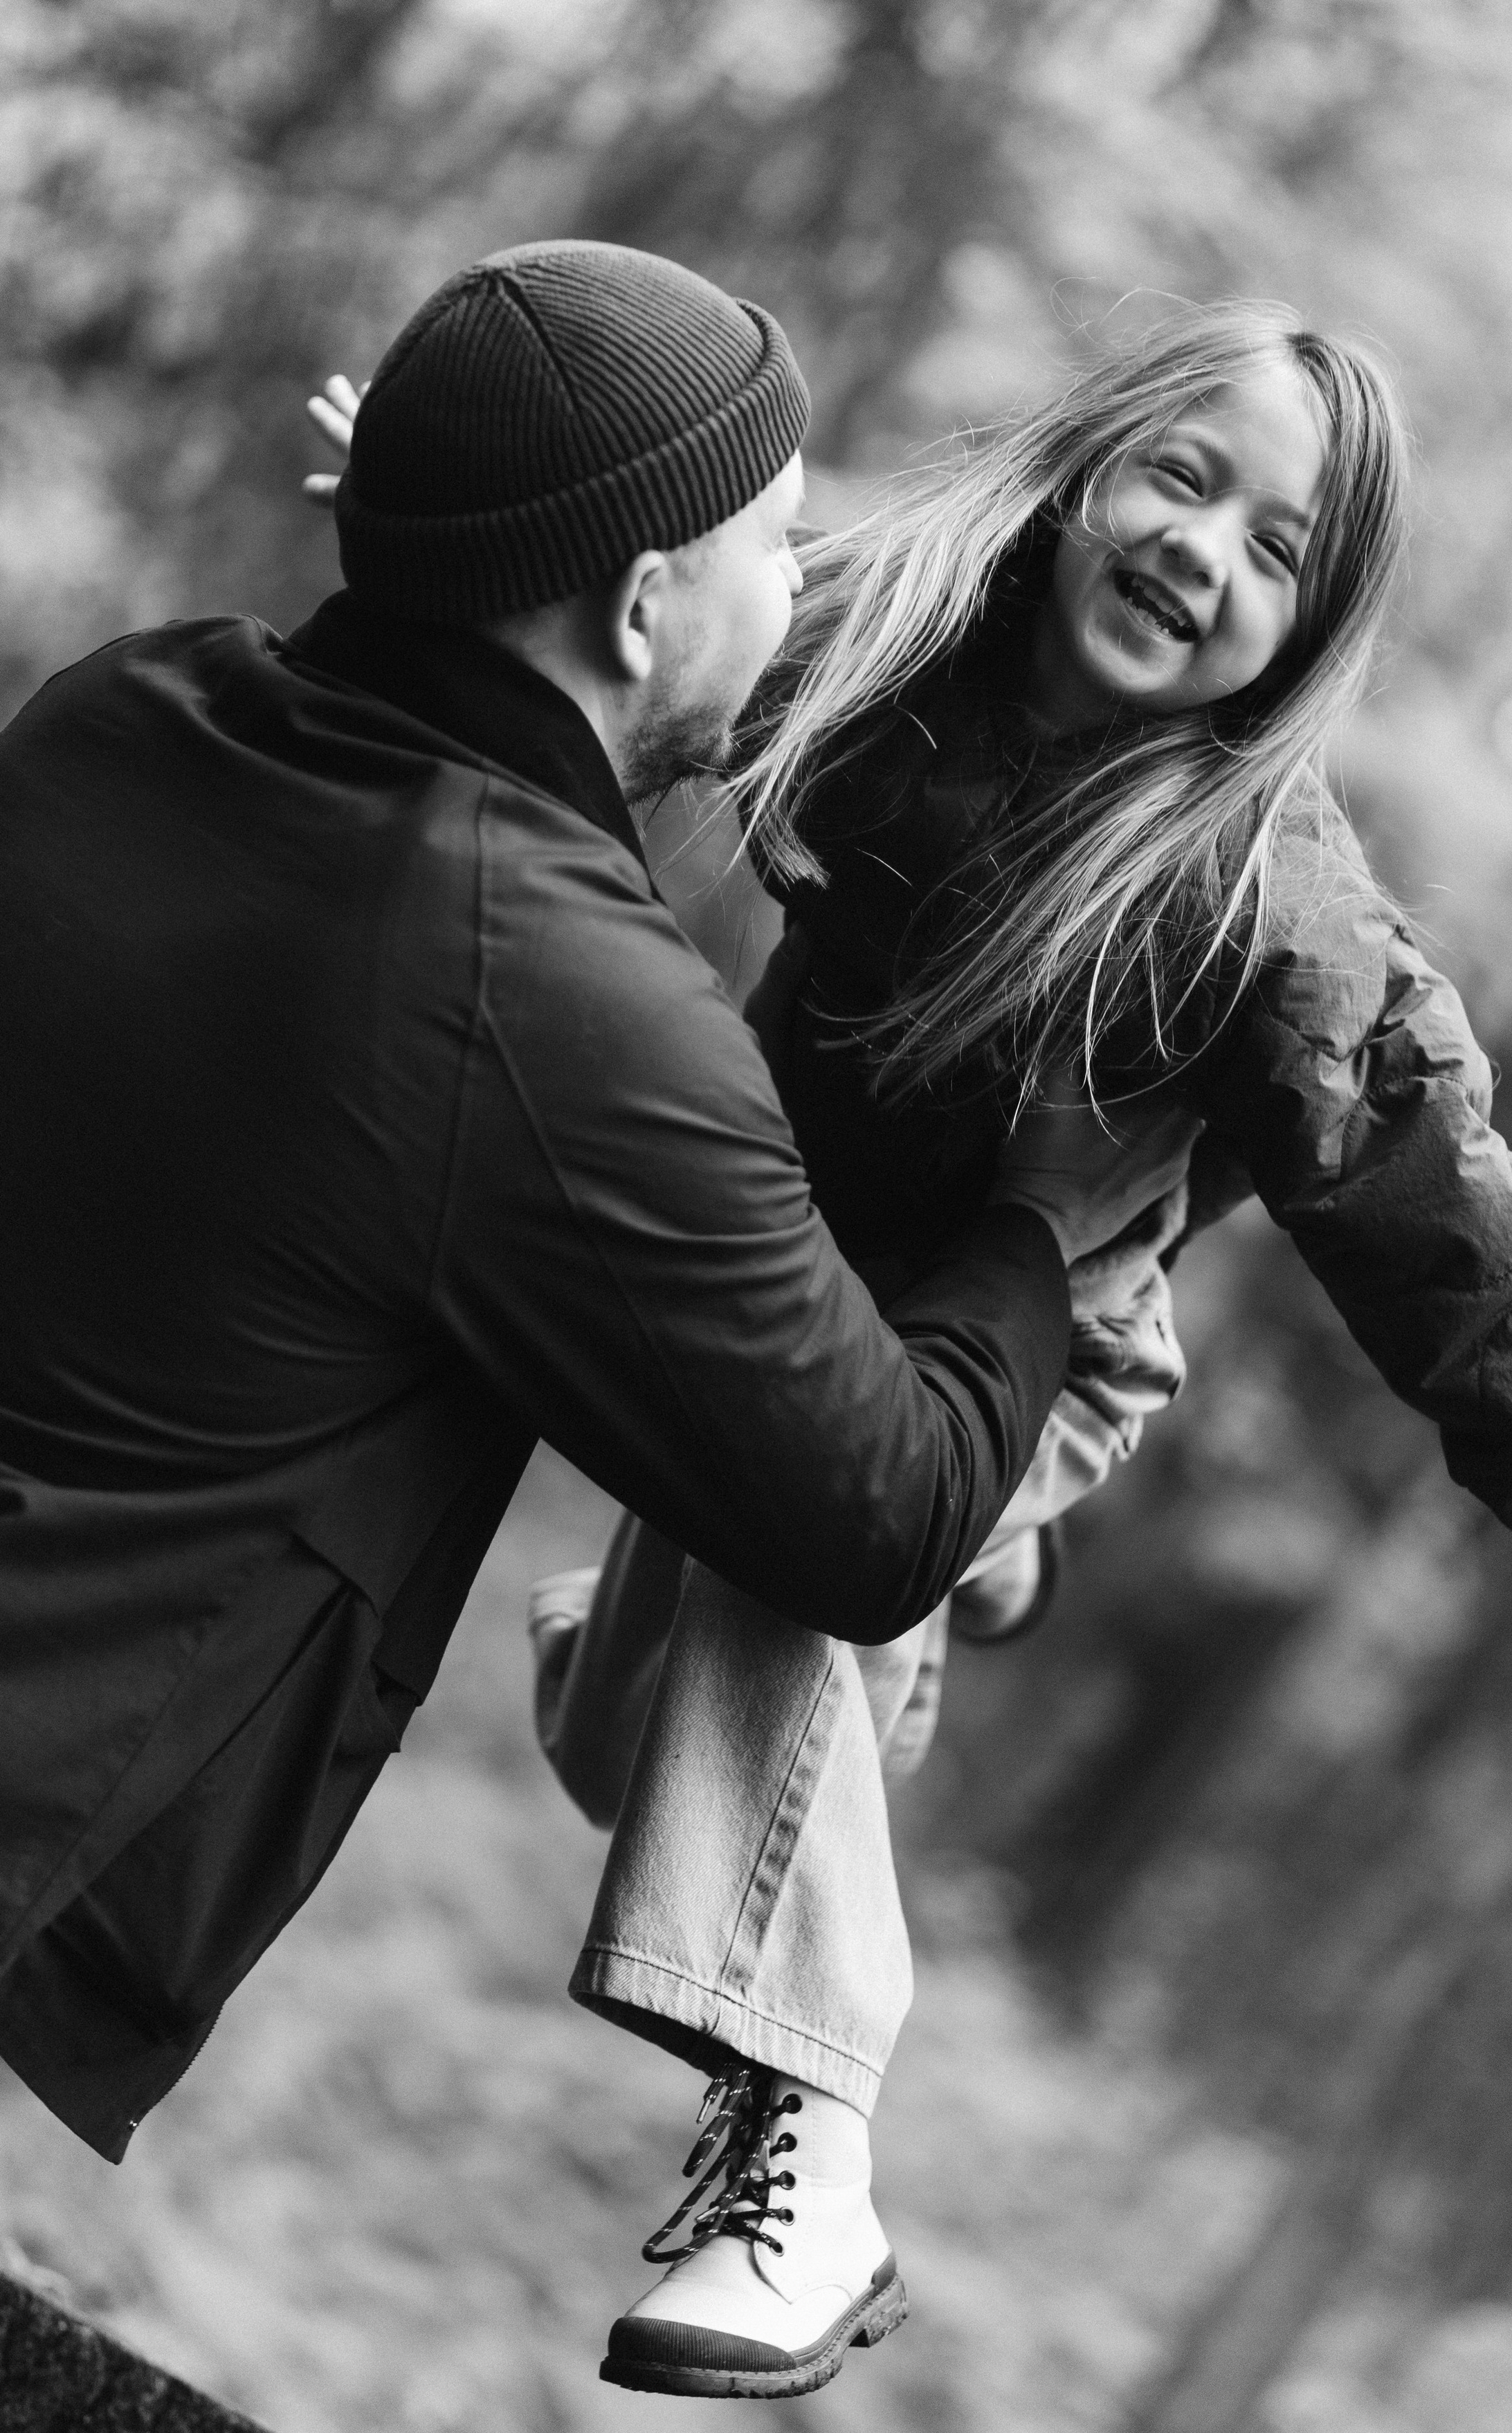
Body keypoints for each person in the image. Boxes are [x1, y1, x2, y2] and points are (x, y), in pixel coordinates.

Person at [477, 299, 1512, 2400]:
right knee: (630, 1727)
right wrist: (469, 543)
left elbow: (1446, 1199)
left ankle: (810, 2155)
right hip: (788, 1272)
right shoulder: (879, 632)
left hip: (1044, 1349)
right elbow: (632, 648)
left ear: (1311, 632)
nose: (1206, 552)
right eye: (1187, 479)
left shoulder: (1269, 905)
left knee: (816, 1541)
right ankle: (778, 1616)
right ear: (1089, 465)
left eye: (1280, 552)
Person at [0, 240, 1196, 2175]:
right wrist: (1041, 1226)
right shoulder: (546, 992)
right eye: (777, 546)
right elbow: (879, 1509)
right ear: (644, 606)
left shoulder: (122, 712)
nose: (803, 591)